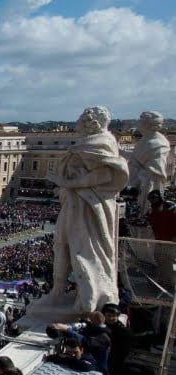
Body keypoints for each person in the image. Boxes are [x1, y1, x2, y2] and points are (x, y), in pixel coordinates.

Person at [32, 106, 129, 316]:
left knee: (82, 249)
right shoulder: (88, 144)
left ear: (91, 123)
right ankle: (58, 291)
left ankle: (88, 294)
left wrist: (66, 182)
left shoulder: (102, 143)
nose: (76, 123)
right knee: (61, 244)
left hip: (88, 206)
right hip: (76, 203)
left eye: (80, 120)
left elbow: (103, 176)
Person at [146, 190, 176, 288]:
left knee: (167, 261)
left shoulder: (170, 208)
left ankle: (169, 283)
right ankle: (161, 281)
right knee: (158, 258)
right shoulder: (152, 210)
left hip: (170, 239)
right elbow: (151, 221)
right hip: (159, 239)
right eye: (151, 199)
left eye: (154, 198)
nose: (153, 201)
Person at [101, 303, 132, 374]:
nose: (111, 318)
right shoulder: (99, 325)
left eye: (114, 316)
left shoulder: (123, 331)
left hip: (113, 360)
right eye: (108, 315)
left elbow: (123, 351)